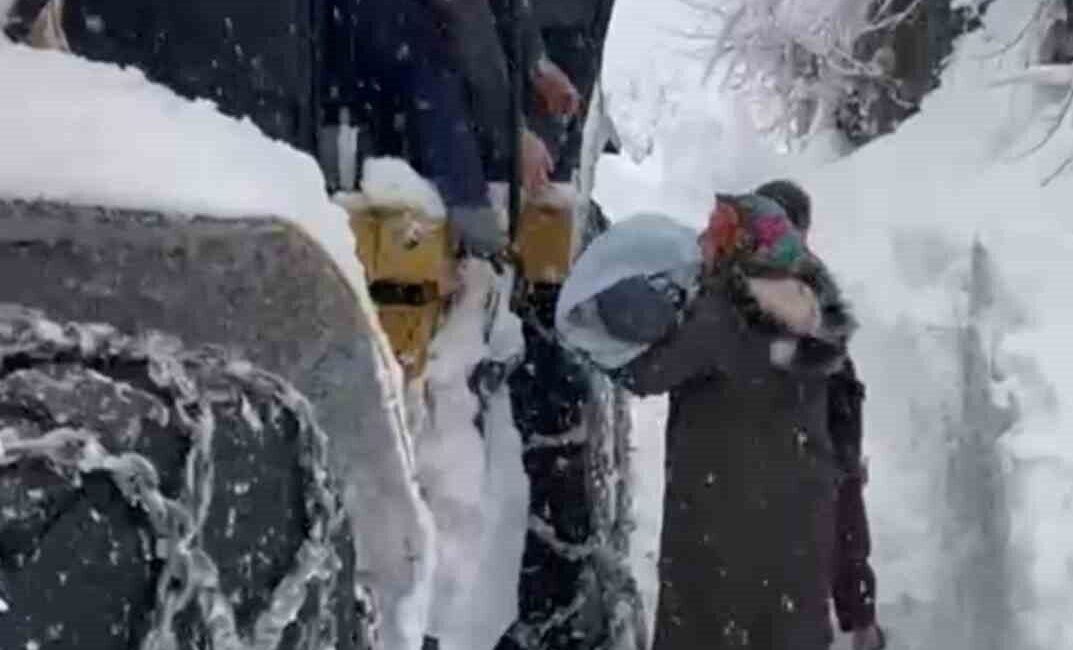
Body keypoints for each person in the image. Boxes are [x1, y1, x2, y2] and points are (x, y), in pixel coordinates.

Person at [556, 191, 857, 650]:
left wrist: (598, 324)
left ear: (743, 244)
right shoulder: (812, 309)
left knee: (707, 627)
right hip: (800, 523)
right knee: (785, 629)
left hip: (721, 521)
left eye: (716, 235)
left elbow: (646, 374)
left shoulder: (722, 312)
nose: (704, 245)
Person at [755, 180, 886, 650]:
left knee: (833, 525)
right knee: (842, 526)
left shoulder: (757, 280)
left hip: (814, 425)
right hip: (820, 425)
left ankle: (857, 625)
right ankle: (861, 627)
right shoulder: (799, 279)